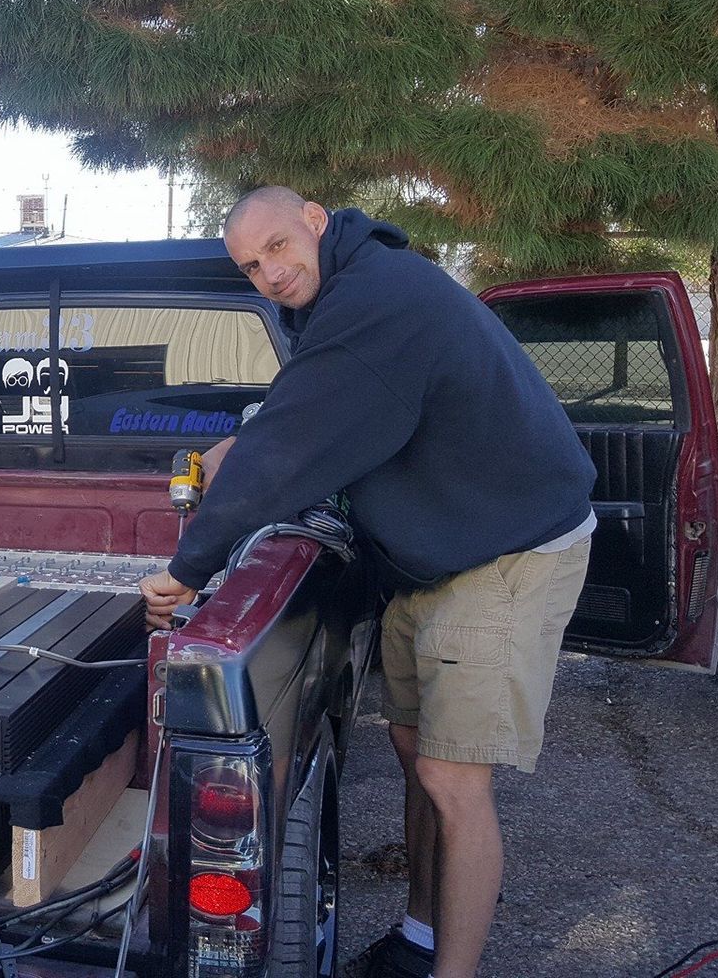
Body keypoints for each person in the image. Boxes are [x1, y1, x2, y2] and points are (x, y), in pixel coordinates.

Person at [138, 187, 596, 978]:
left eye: (278, 247)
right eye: (252, 266)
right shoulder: (345, 292)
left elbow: (292, 446)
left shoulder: (380, 296)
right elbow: (305, 404)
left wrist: (187, 571)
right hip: (437, 555)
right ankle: (418, 938)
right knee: (417, 751)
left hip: (508, 553)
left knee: (454, 779)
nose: (271, 274)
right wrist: (232, 448)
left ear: (315, 219)